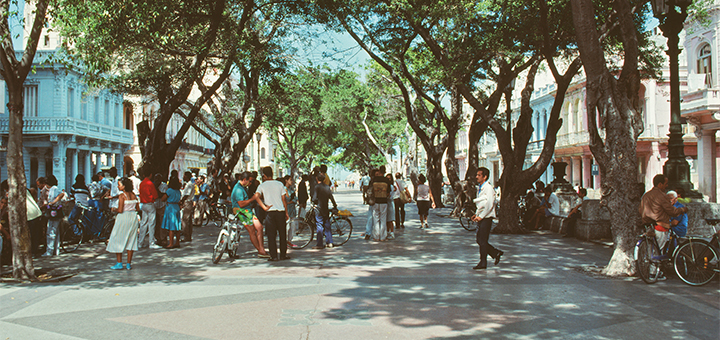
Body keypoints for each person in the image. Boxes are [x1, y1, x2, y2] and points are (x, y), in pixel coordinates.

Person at [639, 174, 688, 251]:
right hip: (660, 227)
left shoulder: (646, 195)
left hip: (648, 226)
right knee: (659, 250)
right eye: (665, 184)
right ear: (660, 184)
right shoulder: (662, 196)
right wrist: (683, 210)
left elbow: (640, 210)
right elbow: (672, 211)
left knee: (650, 250)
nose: (667, 186)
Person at [230, 171, 270, 258]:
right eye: (250, 181)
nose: (251, 183)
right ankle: (260, 250)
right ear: (245, 180)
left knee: (259, 227)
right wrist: (252, 199)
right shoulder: (238, 189)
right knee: (252, 230)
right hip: (242, 211)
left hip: (248, 211)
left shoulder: (243, 187)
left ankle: (261, 248)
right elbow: (241, 204)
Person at [472, 167, 503, 270]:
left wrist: (481, 216)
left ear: (484, 177)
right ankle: (495, 253)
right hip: (481, 216)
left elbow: (489, 204)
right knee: (480, 240)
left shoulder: (488, 188)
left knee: (482, 240)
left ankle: (483, 262)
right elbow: (481, 204)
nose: (477, 177)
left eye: (479, 175)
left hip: (487, 217)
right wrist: (476, 214)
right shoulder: (480, 187)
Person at [256, 166, 289, 261]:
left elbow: (256, 197)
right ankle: (283, 255)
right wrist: (286, 213)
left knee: (271, 235)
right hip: (280, 212)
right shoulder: (279, 184)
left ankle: (273, 256)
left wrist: (263, 206)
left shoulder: (262, 185)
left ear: (264, 175)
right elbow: (283, 199)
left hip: (270, 213)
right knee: (282, 234)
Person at [106, 178, 140, 270]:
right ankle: (128, 263)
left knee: (118, 238)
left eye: (119, 185)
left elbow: (120, 210)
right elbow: (137, 208)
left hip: (123, 217)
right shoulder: (134, 195)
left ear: (124, 186)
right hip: (133, 217)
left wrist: (114, 209)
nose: (118, 186)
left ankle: (119, 262)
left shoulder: (122, 196)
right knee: (131, 240)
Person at [312, 173, 337, 249]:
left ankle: (319, 244)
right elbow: (331, 197)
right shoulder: (327, 187)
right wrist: (335, 205)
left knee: (319, 225)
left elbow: (314, 198)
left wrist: (314, 202)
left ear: (317, 179)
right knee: (327, 225)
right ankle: (329, 242)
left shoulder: (317, 187)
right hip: (325, 208)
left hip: (319, 209)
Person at [42, 175, 65, 257]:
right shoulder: (55, 188)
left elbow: (61, 195)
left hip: (53, 212)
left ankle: (49, 251)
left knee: (51, 231)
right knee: (56, 231)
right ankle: (56, 250)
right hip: (56, 212)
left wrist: (51, 203)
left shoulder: (53, 189)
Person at [139, 168, 160, 249]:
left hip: (143, 204)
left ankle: (140, 242)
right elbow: (155, 195)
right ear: (150, 175)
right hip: (150, 204)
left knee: (143, 223)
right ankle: (151, 242)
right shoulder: (150, 183)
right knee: (151, 224)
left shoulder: (142, 183)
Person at [161, 176, 183, 248]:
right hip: (176, 207)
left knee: (171, 226)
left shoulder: (169, 190)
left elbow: (163, 198)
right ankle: (177, 242)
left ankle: (171, 243)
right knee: (177, 226)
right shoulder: (178, 191)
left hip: (170, 207)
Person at [370, 169, 391, 241]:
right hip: (384, 201)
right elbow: (389, 191)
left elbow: (370, 190)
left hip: (375, 201)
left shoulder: (373, 180)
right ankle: (383, 237)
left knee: (376, 218)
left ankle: (376, 236)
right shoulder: (386, 180)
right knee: (383, 219)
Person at [180, 171, 195, 242]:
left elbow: (186, 195)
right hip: (188, 202)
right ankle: (188, 235)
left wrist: (181, 202)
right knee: (188, 220)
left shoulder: (189, 185)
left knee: (185, 220)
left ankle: (186, 235)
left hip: (187, 202)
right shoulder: (189, 184)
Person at [385, 173, 396, 240]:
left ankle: (391, 232)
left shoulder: (391, 186)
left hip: (390, 203)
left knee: (390, 220)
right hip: (386, 204)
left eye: (389, 178)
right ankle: (387, 232)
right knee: (386, 219)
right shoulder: (386, 186)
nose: (388, 180)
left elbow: (389, 195)